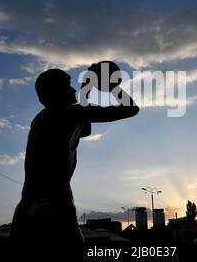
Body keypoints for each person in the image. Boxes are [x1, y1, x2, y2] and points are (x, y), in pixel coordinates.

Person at [11, 66, 139, 247]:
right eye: (68, 86)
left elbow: (83, 130)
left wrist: (86, 90)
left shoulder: (39, 118)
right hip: (53, 203)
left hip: (24, 207)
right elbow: (130, 109)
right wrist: (111, 87)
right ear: (56, 91)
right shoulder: (69, 112)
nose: (73, 90)